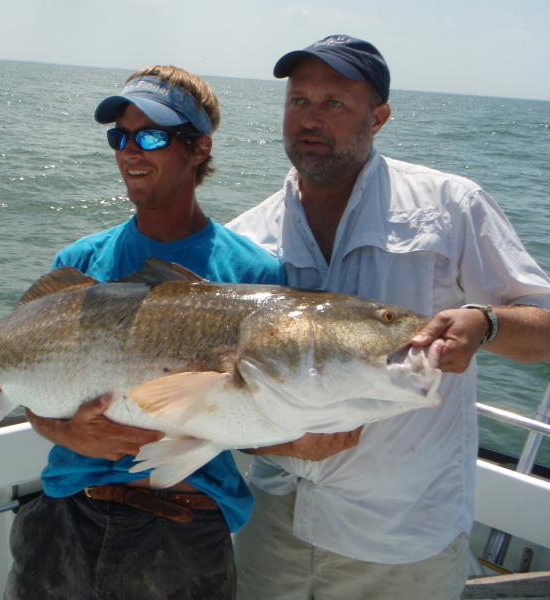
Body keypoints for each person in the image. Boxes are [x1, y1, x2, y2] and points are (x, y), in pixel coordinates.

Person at [227, 35, 550, 600]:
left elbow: (544, 327)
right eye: (297, 100)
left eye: (333, 103)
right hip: (272, 523)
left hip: (405, 537)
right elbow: (225, 389)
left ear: (378, 118)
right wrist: (269, 446)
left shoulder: (452, 206)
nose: (309, 118)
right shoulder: (244, 239)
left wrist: (487, 323)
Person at [0, 65, 284, 600]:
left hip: (184, 533)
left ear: (199, 149)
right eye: (120, 136)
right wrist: (65, 432)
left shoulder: (255, 278)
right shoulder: (78, 263)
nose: (130, 151)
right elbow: (44, 397)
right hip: (66, 517)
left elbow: (264, 412)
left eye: (153, 136)